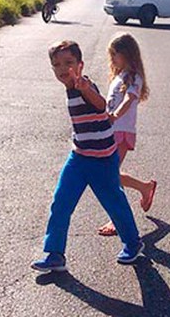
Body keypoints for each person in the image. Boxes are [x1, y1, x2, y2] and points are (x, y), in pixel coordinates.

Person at [31, 41, 144, 273]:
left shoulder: (84, 85)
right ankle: (55, 254)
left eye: (69, 63)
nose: (63, 69)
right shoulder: (70, 87)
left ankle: (133, 243)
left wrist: (85, 89)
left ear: (80, 65)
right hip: (80, 156)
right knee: (61, 201)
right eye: (57, 65)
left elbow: (101, 105)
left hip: (102, 158)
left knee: (114, 202)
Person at [97, 33, 157, 237]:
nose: (112, 59)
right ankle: (144, 188)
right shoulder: (119, 76)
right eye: (111, 55)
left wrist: (115, 115)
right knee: (108, 175)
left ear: (128, 55)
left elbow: (129, 99)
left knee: (109, 177)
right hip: (111, 130)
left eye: (115, 55)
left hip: (122, 131)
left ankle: (118, 219)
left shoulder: (133, 77)